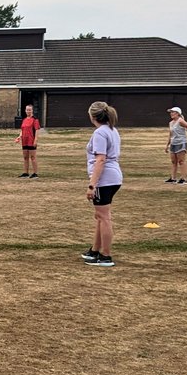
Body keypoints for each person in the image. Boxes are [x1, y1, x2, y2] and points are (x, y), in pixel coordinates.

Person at [81, 101, 122, 268]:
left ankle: (106, 255)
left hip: (105, 180)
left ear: (93, 116)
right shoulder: (111, 130)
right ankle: (95, 250)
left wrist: (92, 185)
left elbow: (101, 159)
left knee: (104, 217)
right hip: (113, 178)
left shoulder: (100, 133)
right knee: (100, 216)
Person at [164, 106, 187, 184]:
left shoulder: (180, 121)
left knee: (181, 161)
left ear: (178, 113)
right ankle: (173, 178)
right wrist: (167, 145)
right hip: (173, 143)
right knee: (173, 161)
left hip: (181, 143)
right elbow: (170, 134)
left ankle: (183, 179)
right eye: (171, 112)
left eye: (173, 112)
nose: (171, 113)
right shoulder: (171, 123)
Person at [14, 103, 42, 178]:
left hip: (31, 141)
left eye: (29, 110)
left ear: (32, 110)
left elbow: (37, 130)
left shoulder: (35, 120)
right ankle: (26, 173)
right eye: (27, 110)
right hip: (24, 141)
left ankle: (35, 173)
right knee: (25, 157)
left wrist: (35, 140)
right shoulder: (24, 120)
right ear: (25, 110)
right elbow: (22, 130)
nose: (28, 111)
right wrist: (19, 137)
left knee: (33, 157)